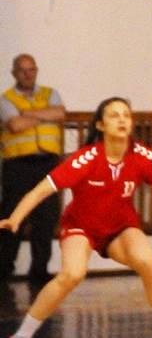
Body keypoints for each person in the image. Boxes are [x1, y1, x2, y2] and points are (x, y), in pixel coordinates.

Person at [0, 97, 152, 338]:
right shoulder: (85, 159)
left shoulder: (143, 156)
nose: (122, 120)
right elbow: (41, 190)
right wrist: (15, 218)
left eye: (126, 115)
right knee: (71, 275)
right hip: (81, 227)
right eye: (114, 115)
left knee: (148, 262)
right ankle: (22, 335)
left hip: (120, 228)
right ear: (100, 125)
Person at [0, 54, 66, 285]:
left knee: (46, 219)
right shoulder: (5, 99)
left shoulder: (50, 93)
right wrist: (45, 115)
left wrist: (27, 113)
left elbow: (60, 114)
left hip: (47, 164)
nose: (28, 74)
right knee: (12, 218)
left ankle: (39, 271)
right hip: (17, 165)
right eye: (22, 70)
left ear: (36, 71)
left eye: (31, 69)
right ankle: (3, 270)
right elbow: (15, 125)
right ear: (14, 73)